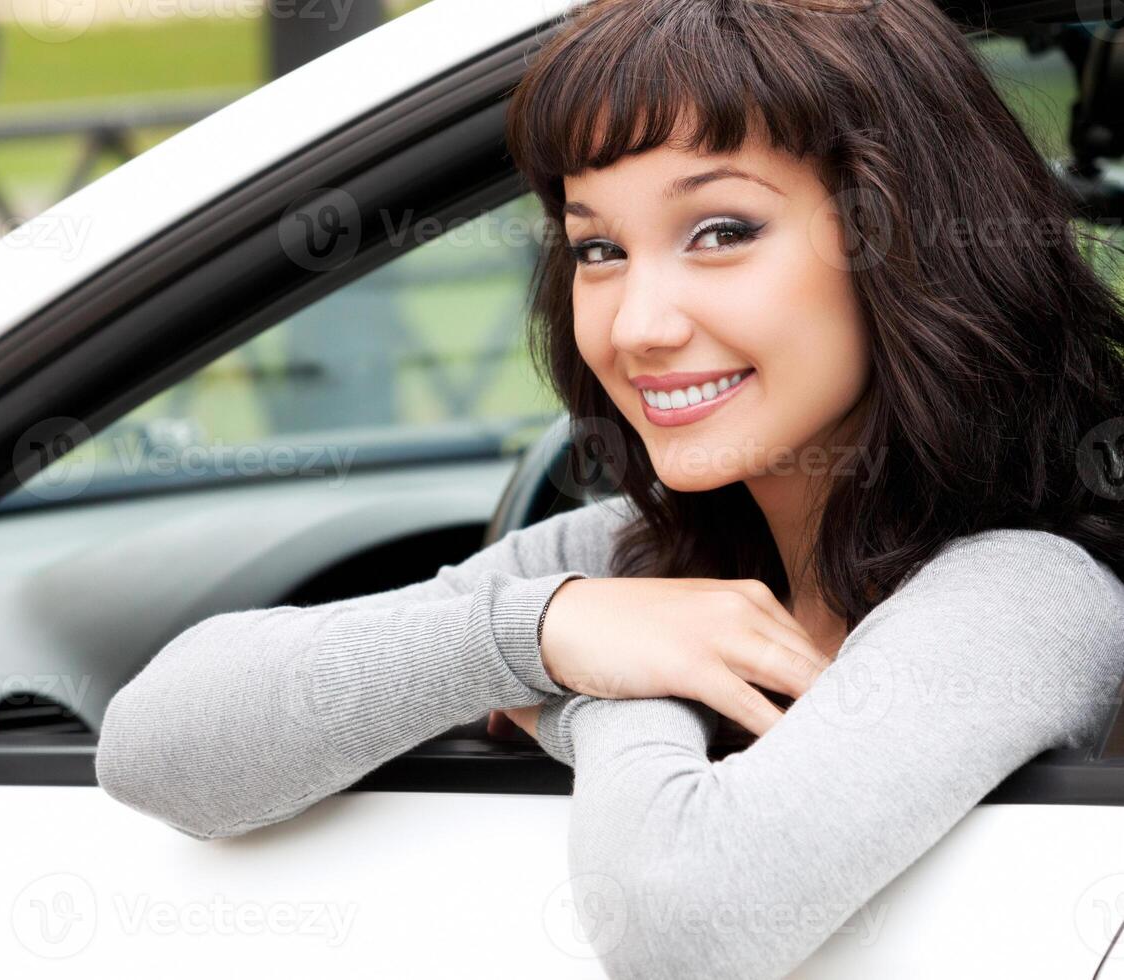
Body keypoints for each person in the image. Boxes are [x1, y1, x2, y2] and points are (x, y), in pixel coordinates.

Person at [95, 0, 1124, 975]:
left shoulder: (1026, 592)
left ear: (896, 238)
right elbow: (154, 745)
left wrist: (594, 691)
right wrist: (533, 634)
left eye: (721, 230)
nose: (637, 325)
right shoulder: (621, 562)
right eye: (598, 247)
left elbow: (682, 921)